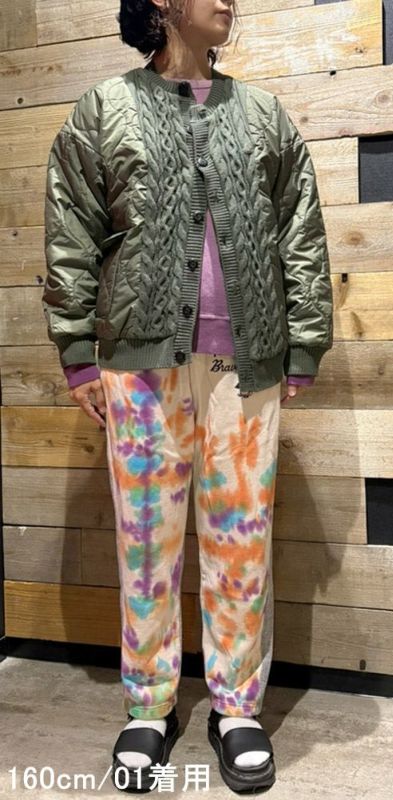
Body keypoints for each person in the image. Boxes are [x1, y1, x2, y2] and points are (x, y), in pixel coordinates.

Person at [42, 0, 333, 792]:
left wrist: (305, 339)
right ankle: (149, 705)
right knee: (146, 542)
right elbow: (71, 232)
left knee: (241, 539)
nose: (228, 2)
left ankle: (236, 708)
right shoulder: (104, 110)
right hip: (137, 362)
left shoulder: (263, 115)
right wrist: (75, 353)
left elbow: (300, 231)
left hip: (247, 364)